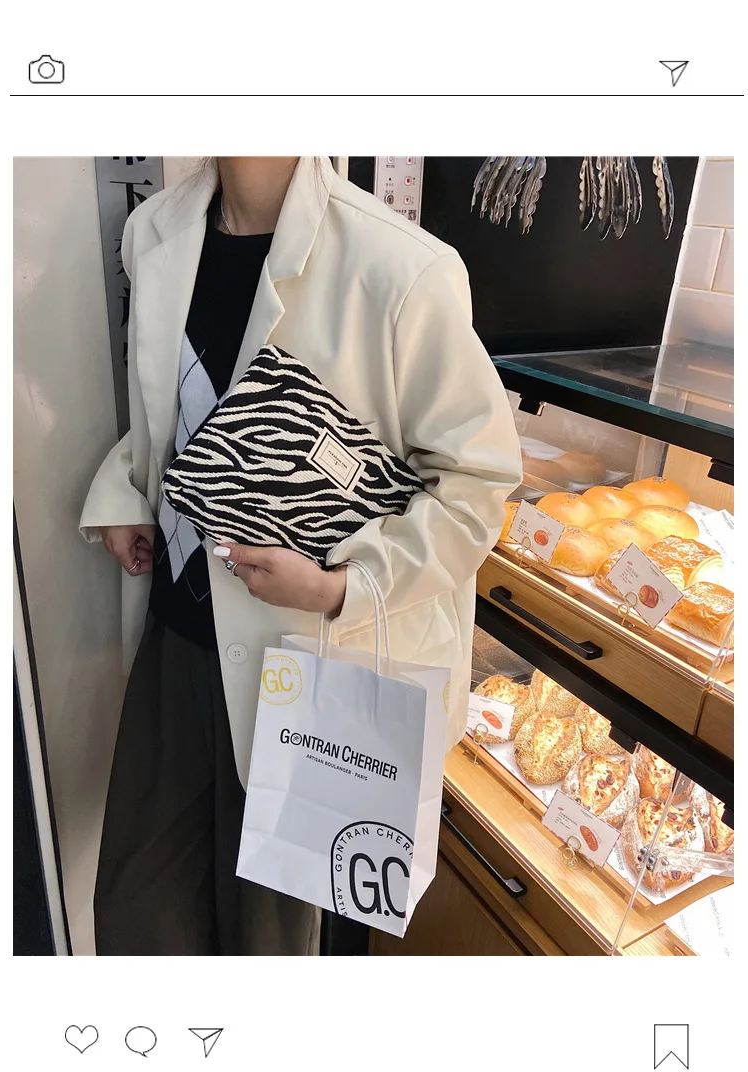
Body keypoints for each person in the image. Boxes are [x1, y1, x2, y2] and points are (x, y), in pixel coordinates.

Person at [80, 155, 522, 956]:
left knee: (269, 946)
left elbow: (477, 484)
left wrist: (344, 586)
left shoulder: (401, 266)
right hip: (174, 651)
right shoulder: (154, 233)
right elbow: (174, 413)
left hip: (308, 667)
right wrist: (124, 492)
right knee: (136, 924)